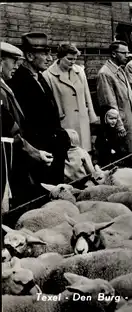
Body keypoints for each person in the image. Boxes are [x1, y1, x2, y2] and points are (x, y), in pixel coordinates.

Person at [7, 32, 70, 189]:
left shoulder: (39, 76)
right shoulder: (18, 81)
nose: (50, 58)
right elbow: (25, 122)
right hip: (39, 155)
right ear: (29, 56)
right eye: (44, 54)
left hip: (52, 151)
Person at [1, 41, 54, 209]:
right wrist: (35, 153)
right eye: (13, 61)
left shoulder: (4, 87)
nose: (17, 66)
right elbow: (9, 131)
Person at [43, 43, 98, 152]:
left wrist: (91, 114)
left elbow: (87, 94)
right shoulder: (48, 75)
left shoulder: (80, 71)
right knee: (70, 152)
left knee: (85, 151)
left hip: (82, 119)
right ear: (59, 57)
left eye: (75, 59)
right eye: (69, 59)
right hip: (65, 121)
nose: (73, 62)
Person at [96, 40, 132, 154]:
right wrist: (119, 125)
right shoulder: (105, 73)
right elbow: (109, 103)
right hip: (122, 125)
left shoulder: (120, 69)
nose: (127, 56)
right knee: (125, 154)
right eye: (124, 53)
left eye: (128, 53)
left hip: (130, 120)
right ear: (114, 54)